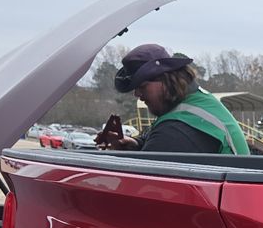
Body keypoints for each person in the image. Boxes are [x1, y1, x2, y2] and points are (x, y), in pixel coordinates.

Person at [96, 44, 249, 155]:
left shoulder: (178, 129)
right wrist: (136, 145)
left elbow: (142, 185)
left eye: (142, 86)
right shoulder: (197, 103)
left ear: (166, 80)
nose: (137, 94)